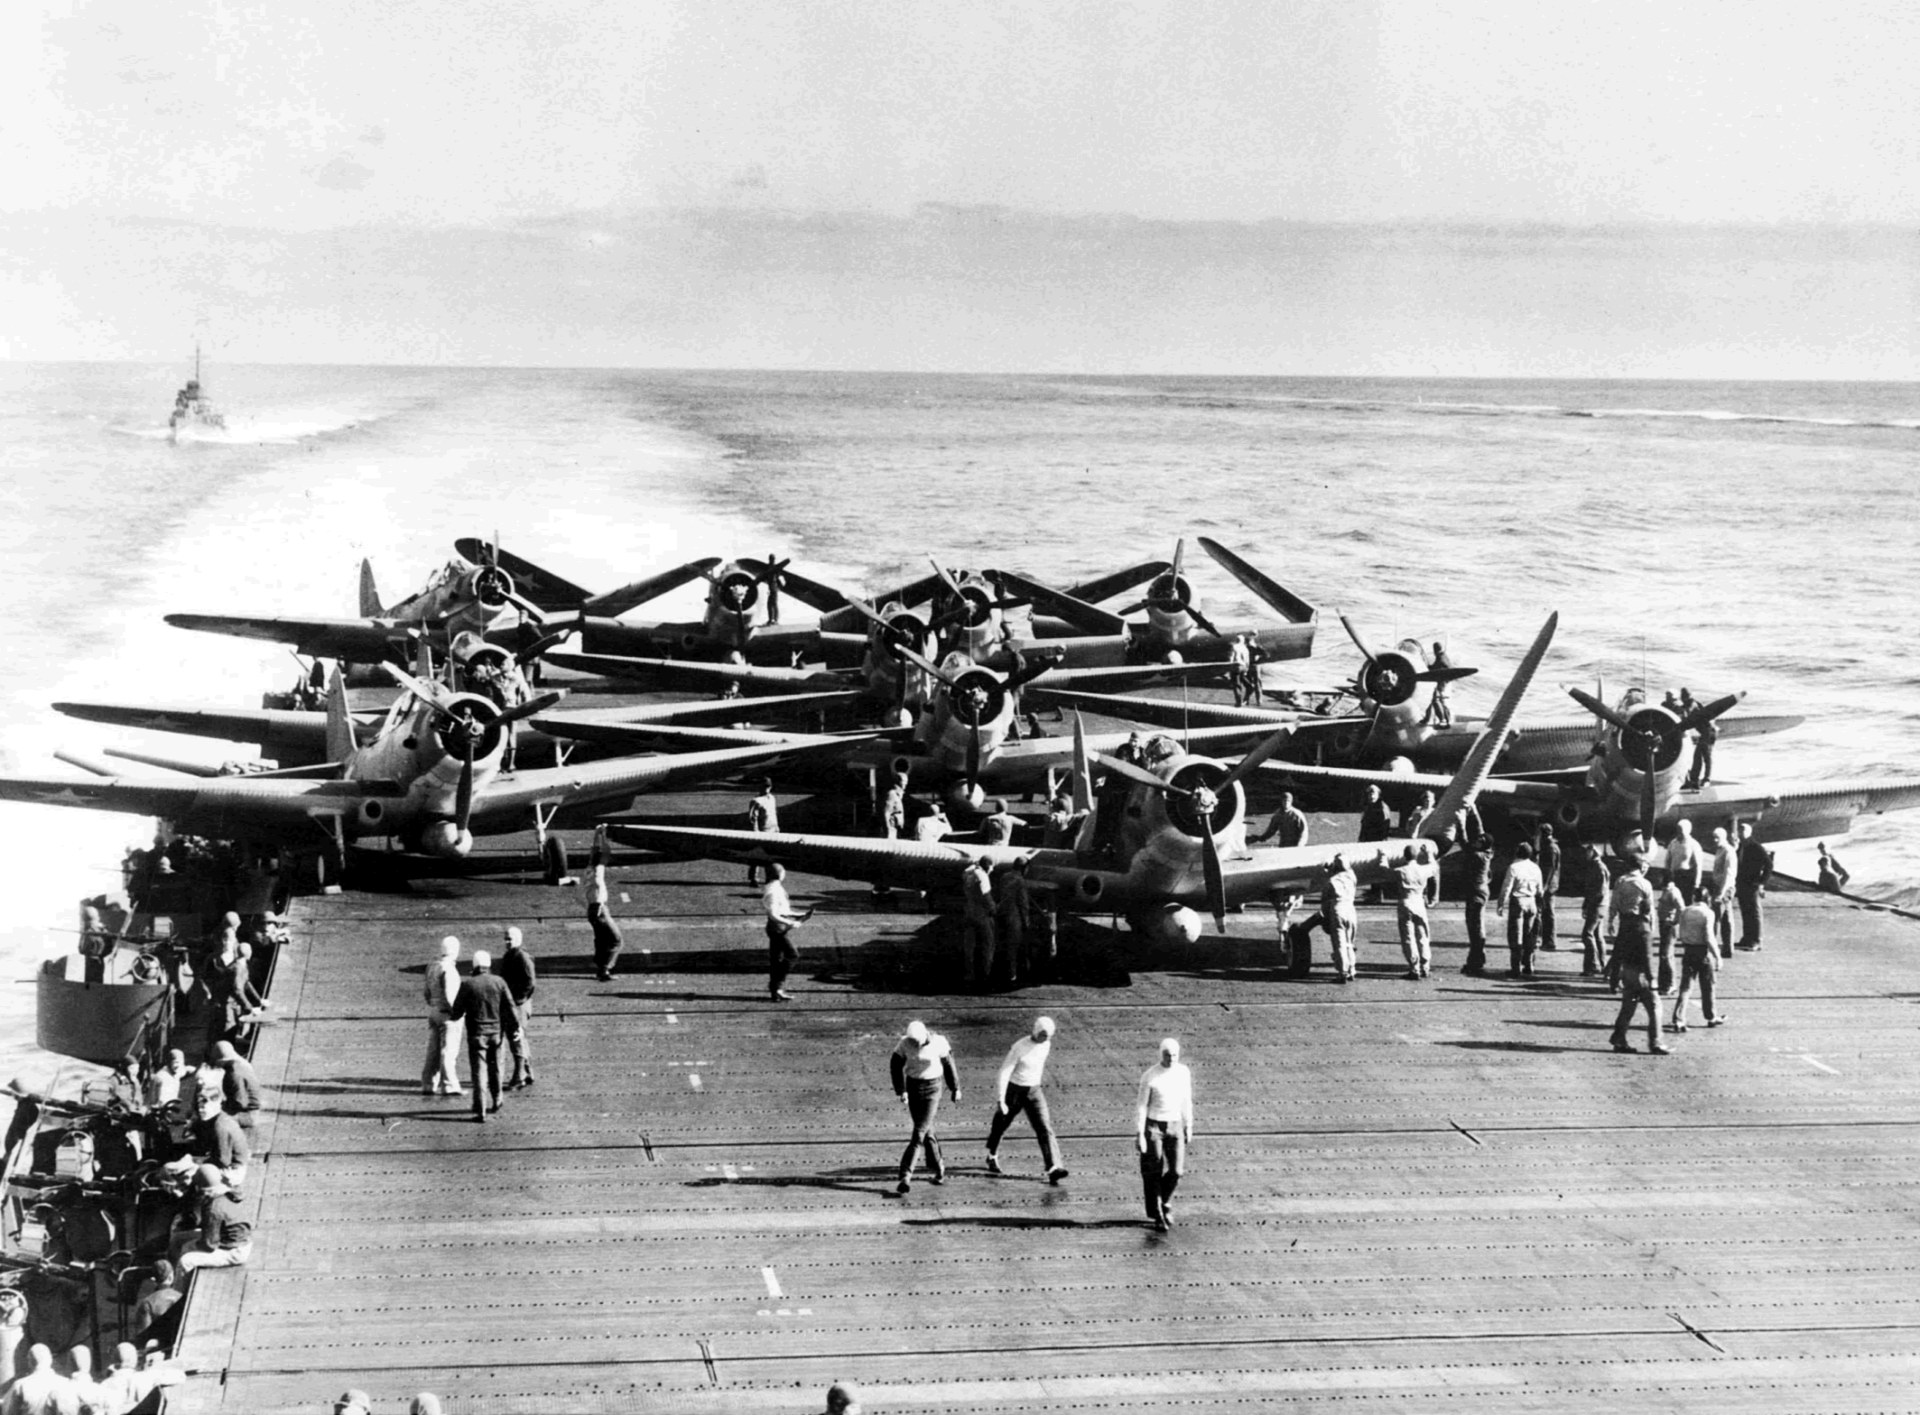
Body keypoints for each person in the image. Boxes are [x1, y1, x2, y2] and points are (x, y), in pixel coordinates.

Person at [984, 1016, 1068, 1183]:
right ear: (1035, 1031)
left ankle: (1053, 1167)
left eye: (1048, 1036)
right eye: (1043, 1035)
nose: (1045, 1039)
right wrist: (1001, 1100)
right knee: (1001, 1124)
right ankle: (992, 1154)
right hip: (1014, 1091)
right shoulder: (1019, 1047)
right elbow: (1004, 1072)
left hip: (1034, 1091)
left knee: (1044, 1127)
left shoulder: (1046, 1044)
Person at [889, 1020, 960, 1195]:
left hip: (932, 1089)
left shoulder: (939, 1042)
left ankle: (905, 1176)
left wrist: (955, 1088)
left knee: (918, 1133)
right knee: (927, 1131)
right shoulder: (905, 1043)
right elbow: (895, 1064)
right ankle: (939, 1168)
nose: (914, 1045)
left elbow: (949, 1064)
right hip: (913, 1087)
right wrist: (901, 1090)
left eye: (917, 1042)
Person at [449, 949, 518, 1122]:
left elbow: (457, 1012)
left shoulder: (468, 985)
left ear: (474, 966)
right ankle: (497, 1100)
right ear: (489, 966)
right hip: (496, 1033)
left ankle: (480, 1109)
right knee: (496, 1068)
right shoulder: (499, 982)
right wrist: (516, 1027)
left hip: (476, 1034)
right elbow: (510, 1008)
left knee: (479, 1072)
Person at [1607, 865, 1667, 1055]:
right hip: (1641, 974)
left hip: (1627, 971)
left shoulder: (1625, 926)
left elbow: (1617, 950)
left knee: (1628, 1007)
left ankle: (1619, 1038)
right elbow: (1647, 956)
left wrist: (1614, 973)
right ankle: (1656, 1042)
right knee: (1655, 1006)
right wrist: (1652, 978)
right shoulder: (1644, 929)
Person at [1135, 1038, 1194, 1232]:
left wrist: (1189, 1124)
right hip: (1154, 1127)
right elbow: (1141, 1106)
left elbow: (1187, 1099)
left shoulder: (1183, 1072)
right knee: (1153, 1171)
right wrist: (1140, 1134)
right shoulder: (1150, 1076)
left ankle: (1164, 1201)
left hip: (1175, 1125)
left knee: (1176, 1171)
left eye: (1174, 1055)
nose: (1171, 1059)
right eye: (1167, 1055)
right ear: (1160, 1054)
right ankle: (1157, 1214)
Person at [175, 1163, 253, 1276]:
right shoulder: (228, 1192)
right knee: (180, 1240)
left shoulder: (213, 1209)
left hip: (234, 1251)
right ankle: (174, 1277)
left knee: (186, 1260)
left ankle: (177, 1291)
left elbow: (209, 1245)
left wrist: (195, 1245)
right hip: (236, 1240)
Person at [1671, 893, 1726, 1031]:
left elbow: (1677, 926)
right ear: (1708, 899)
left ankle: (1678, 1019)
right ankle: (1711, 1017)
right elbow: (1709, 936)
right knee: (1708, 986)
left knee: (1686, 987)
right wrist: (1718, 956)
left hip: (1688, 951)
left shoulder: (1685, 911)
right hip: (1703, 953)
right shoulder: (1708, 913)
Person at [762, 863, 812, 1001]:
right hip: (777, 930)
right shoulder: (773, 891)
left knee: (776, 960)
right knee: (792, 955)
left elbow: (781, 910)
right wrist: (791, 922)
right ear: (780, 874)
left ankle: (776, 991)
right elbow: (773, 914)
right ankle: (778, 984)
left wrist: (798, 914)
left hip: (777, 928)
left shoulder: (775, 887)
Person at [91, 1342, 185, 1415]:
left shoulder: (103, 1386)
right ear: (135, 1361)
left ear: (115, 1363)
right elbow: (180, 1377)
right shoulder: (145, 1377)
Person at [421, 937, 463, 1096]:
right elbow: (450, 995)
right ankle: (450, 1085)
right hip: (447, 1014)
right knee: (448, 1051)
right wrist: (456, 1013)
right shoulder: (449, 970)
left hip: (433, 1010)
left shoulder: (432, 967)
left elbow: (426, 992)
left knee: (433, 1050)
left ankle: (428, 1083)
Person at [497, 926, 538, 1088]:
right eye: (506, 939)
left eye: (510, 939)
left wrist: (517, 1000)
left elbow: (530, 982)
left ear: (518, 939)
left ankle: (519, 1075)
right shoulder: (511, 955)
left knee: (516, 1039)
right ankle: (527, 1072)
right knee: (520, 1039)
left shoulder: (522, 957)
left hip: (518, 1005)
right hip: (514, 1004)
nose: (507, 942)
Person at [1496, 841, 1544, 978]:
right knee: (1529, 936)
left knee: (1515, 937)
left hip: (1518, 902)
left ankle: (1515, 968)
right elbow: (1540, 890)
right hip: (1532, 902)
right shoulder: (1536, 868)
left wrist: (1501, 904)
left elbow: (1506, 888)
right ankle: (1529, 965)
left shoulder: (1513, 867)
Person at [1393, 843, 1438, 979]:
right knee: (1422, 935)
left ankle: (1414, 968)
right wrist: (1429, 853)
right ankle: (1425, 966)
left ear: (1404, 856)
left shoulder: (1400, 871)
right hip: (1419, 903)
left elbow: (1383, 870)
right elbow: (1434, 867)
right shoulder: (1423, 870)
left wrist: (1382, 857)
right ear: (1417, 855)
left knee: (1408, 937)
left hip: (1405, 903)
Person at [587, 826, 624, 981]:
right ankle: (605, 968)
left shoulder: (589, 869)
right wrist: (605, 836)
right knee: (616, 940)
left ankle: (601, 967)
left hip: (592, 909)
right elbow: (605, 852)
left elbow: (595, 852)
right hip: (600, 909)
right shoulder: (597, 873)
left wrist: (597, 834)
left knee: (602, 940)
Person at [0, 1344, 77, 1415]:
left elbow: (8, 1411)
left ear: (30, 1361)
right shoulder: (65, 1383)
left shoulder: (19, 1385)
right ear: (50, 1360)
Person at [992, 861, 1033, 984]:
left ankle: (1001, 973)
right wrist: (1026, 922)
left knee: (1002, 945)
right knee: (1014, 948)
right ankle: (1012, 976)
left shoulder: (1005, 877)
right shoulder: (1021, 881)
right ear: (1024, 868)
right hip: (1014, 917)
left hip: (1001, 914)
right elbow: (1023, 904)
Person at [208, 1040, 262, 1131]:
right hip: (248, 1108)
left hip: (248, 1115)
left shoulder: (234, 1074)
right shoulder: (241, 1063)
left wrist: (221, 1107)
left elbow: (241, 1103)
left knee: (211, 1118)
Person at [959, 857, 997, 988]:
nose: (992, 869)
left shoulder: (968, 873)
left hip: (969, 911)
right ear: (987, 866)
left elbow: (966, 870)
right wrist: (994, 909)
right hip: (981, 915)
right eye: (991, 866)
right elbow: (986, 895)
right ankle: (985, 975)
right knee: (988, 944)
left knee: (969, 945)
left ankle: (968, 973)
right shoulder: (983, 876)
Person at [1735, 821, 1772, 950]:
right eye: (1739, 831)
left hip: (1752, 884)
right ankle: (1746, 938)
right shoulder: (1741, 846)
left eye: (1742, 831)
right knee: (1745, 912)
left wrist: (1761, 882)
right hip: (1742, 884)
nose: (1740, 833)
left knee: (1754, 913)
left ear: (1748, 833)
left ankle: (1756, 940)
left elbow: (1768, 864)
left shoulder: (1755, 846)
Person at [1461, 834, 1495, 975]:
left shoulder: (1477, 856)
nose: (1475, 842)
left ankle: (1476, 960)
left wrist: (1461, 828)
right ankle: (1476, 958)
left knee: (1475, 926)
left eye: (1479, 841)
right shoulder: (1487, 855)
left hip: (1476, 892)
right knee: (1476, 924)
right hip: (1481, 890)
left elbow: (1465, 845)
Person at [1323, 854, 1359, 982]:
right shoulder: (1352, 877)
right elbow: (1348, 869)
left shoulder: (1331, 881)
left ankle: (1342, 972)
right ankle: (1352, 970)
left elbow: (1325, 900)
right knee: (1349, 943)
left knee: (1339, 944)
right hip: (1351, 910)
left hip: (1338, 910)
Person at [1578, 843, 1609, 977]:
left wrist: (1590, 905)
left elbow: (1600, 891)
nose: (1586, 854)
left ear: (1594, 852)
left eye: (1588, 851)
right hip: (1599, 905)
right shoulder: (1595, 867)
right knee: (1597, 935)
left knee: (1587, 934)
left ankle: (1592, 966)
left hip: (1597, 906)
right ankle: (1603, 965)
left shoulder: (1599, 868)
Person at [1708, 825, 1739, 956]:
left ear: (1724, 837)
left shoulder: (1727, 851)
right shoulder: (1721, 850)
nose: (1715, 840)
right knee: (1726, 918)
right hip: (1719, 886)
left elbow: (1729, 874)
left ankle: (1713, 948)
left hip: (1724, 888)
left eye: (1717, 838)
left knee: (1716, 918)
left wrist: (1721, 893)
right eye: (1714, 837)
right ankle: (1727, 948)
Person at [744, 778, 780, 884]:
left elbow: (773, 813)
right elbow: (752, 819)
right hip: (762, 831)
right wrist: (756, 832)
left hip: (773, 830)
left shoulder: (772, 798)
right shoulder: (756, 801)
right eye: (764, 786)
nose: (766, 789)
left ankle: (769, 878)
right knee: (757, 855)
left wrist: (777, 827)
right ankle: (753, 878)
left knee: (770, 856)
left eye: (768, 786)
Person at [1654, 871, 1684, 994]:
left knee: (1667, 955)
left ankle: (1671, 984)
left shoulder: (1673, 892)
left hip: (1669, 926)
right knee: (1663, 954)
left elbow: (1681, 908)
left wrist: (1675, 921)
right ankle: (1663, 983)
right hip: (1664, 924)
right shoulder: (1667, 890)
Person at [1535, 824, 1562, 950]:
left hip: (1549, 885)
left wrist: (1543, 887)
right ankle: (1545, 939)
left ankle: (1550, 941)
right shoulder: (1549, 846)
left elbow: (1550, 869)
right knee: (1545, 912)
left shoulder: (1550, 848)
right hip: (1550, 884)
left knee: (1548, 913)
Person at [1665, 820, 1703, 903]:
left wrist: (1697, 883)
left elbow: (1698, 865)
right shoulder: (1673, 843)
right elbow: (1668, 860)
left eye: (1681, 831)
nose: (1679, 834)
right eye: (1678, 831)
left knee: (1686, 903)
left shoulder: (1694, 845)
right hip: (1675, 877)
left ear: (1688, 831)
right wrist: (1668, 875)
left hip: (1687, 878)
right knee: (1674, 902)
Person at [1424, 641, 1455, 726]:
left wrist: (1427, 668)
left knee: (1438, 700)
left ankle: (1445, 720)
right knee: (1437, 700)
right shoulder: (1442, 656)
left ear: (1435, 650)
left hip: (1443, 682)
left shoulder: (1440, 659)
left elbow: (1436, 668)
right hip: (1445, 681)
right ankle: (1430, 718)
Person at [1227, 633, 1251, 707]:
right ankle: (1246, 699)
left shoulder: (1234, 647)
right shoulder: (1245, 648)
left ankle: (1238, 702)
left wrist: (1229, 670)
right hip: (1243, 667)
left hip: (1236, 666)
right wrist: (1246, 669)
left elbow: (1231, 658)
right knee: (1247, 684)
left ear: (1236, 640)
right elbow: (1247, 660)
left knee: (1237, 685)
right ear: (1243, 641)